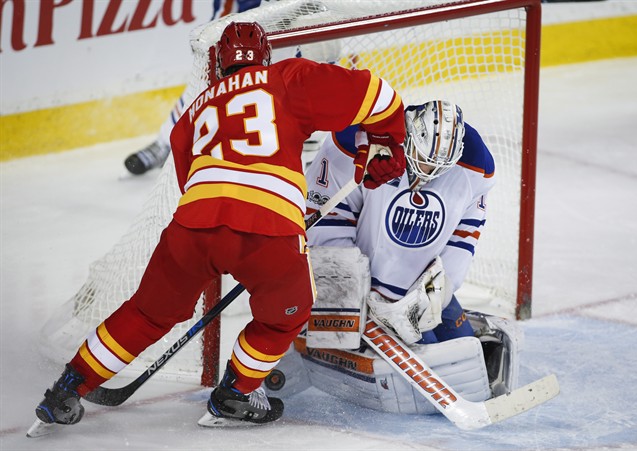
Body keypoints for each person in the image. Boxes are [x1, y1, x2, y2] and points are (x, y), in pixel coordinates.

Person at [32, 21, 407, 431]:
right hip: (267, 230)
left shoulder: (192, 113)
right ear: (264, 56)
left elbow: (189, 180)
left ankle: (67, 388)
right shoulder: (286, 77)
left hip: (192, 228)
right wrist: (385, 143)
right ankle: (238, 392)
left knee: (148, 312)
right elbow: (379, 95)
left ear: (218, 64)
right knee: (287, 314)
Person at [262, 100, 522, 414]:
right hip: (352, 271)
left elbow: (467, 227)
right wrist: (352, 290)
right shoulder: (357, 139)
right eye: (424, 163)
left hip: (413, 286)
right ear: (410, 136)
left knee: (463, 356)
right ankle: (295, 345)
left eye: (438, 169)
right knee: (336, 331)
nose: (428, 174)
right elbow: (325, 217)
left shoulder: (476, 163)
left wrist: (441, 286)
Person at [124, 0, 273, 175]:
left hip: (298, 16)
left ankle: (306, 147)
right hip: (247, 23)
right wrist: (214, 34)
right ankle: (165, 142)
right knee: (209, 72)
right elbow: (226, 11)